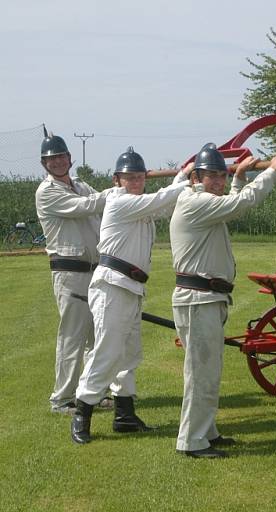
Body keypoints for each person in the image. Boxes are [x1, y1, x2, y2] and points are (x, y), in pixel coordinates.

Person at [170, 144, 276, 458]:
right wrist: (271, 170)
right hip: (199, 299)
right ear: (196, 177)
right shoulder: (194, 202)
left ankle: (206, 433)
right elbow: (240, 204)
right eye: (212, 175)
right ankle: (192, 442)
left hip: (207, 298)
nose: (218, 181)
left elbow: (228, 204)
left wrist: (238, 176)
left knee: (207, 371)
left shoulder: (203, 202)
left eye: (222, 175)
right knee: (200, 373)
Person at [70, 148, 193, 444]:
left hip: (131, 286)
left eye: (139, 177)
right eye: (129, 177)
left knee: (129, 353)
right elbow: (160, 199)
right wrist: (187, 179)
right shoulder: (119, 201)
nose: (135, 182)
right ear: (117, 180)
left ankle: (124, 415)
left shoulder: (139, 206)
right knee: (108, 351)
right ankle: (82, 412)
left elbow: (162, 205)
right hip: (112, 285)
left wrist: (181, 176)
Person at [35, 129, 113, 415]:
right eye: (50, 159)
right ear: (45, 163)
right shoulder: (47, 192)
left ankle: (91, 394)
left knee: (96, 336)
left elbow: (101, 205)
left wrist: (123, 191)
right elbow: (88, 207)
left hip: (94, 270)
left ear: (69, 158)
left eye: (60, 157)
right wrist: (119, 190)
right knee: (72, 336)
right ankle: (62, 399)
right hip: (69, 272)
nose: (56, 162)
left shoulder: (80, 184)